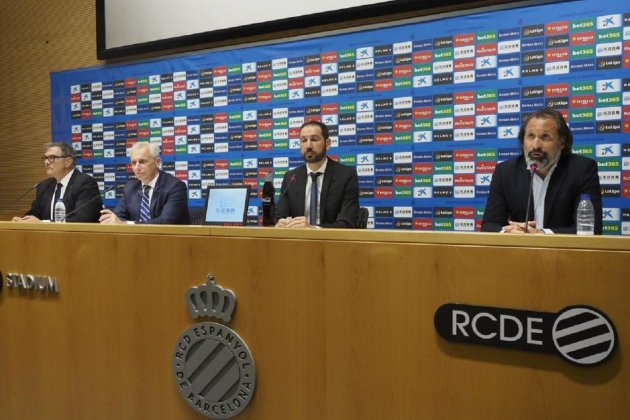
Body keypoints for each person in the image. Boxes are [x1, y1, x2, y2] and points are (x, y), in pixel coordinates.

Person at [481, 108, 602, 234]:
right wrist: (508, 232)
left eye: (545, 137)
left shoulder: (582, 170)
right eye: (530, 136)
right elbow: (489, 225)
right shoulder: (505, 172)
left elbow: (591, 230)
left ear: (562, 142)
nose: (536, 145)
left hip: (563, 252)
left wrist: (542, 234)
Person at [275, 120, 359, 228]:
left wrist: (312, 229)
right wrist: (281, 223)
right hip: (297, 241)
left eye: (314, 139)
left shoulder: (346, 176)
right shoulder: (291, 177)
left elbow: (348, 223)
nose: (308, 145)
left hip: (331, 243)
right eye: (304, 140)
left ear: (327, 144)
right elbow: (280, 216)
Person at [99, 142, 189, 224]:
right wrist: (111, 220)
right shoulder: (130, 187)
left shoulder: (174, 187)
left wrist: (126, 225)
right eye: (134, 163)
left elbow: (165, 221)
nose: (137, 167)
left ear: (157, 162)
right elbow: (119, 217)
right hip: (136, 240)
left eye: (142, 162)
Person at [12, 142, 102, 223]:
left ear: (68, 162)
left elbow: (83, 218)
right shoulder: (44, 186)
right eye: (45, 158)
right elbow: (35, 213)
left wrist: (43, 223)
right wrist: (23, 220)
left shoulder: (85, 183)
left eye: (51, 158)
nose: (46, 162)